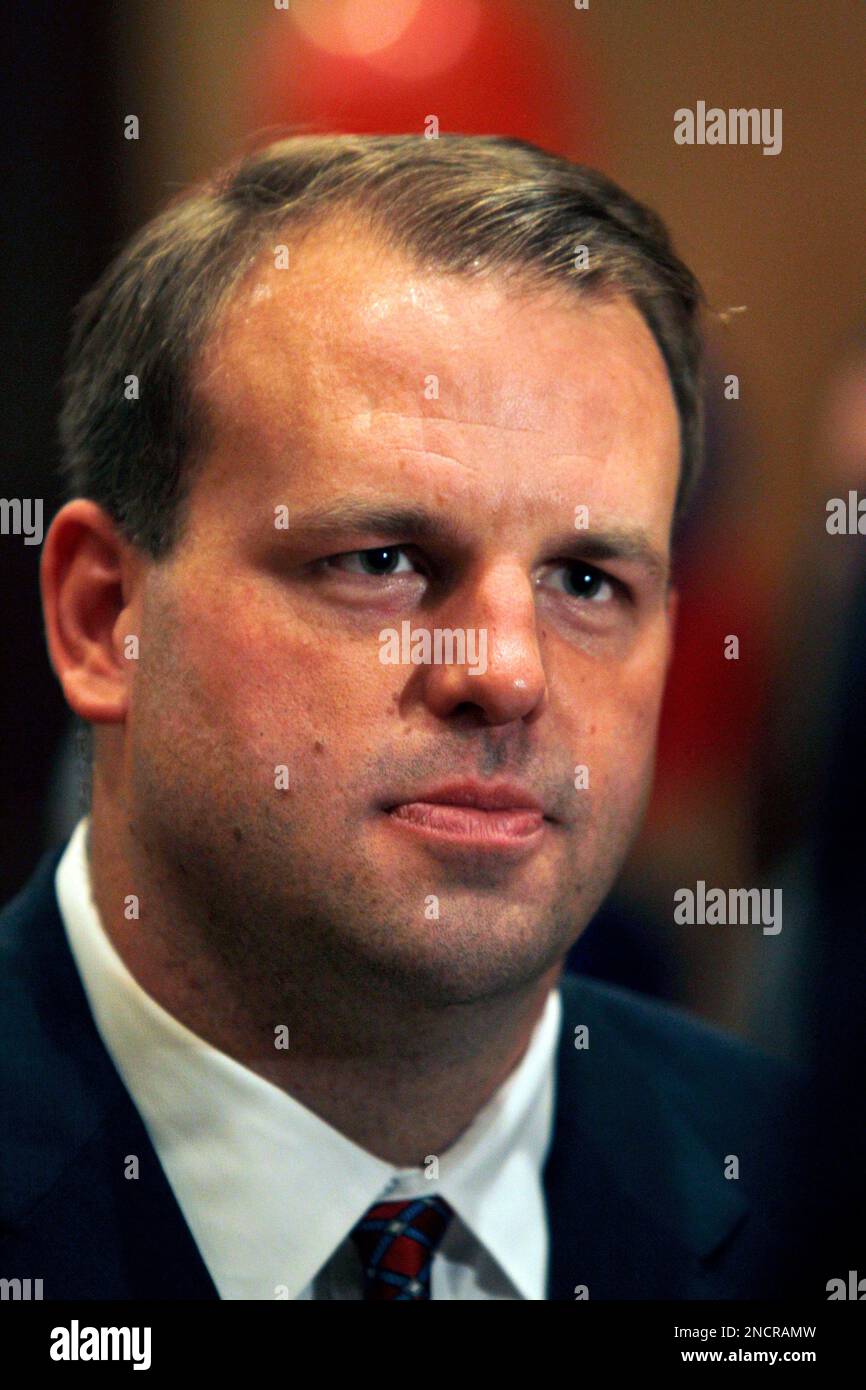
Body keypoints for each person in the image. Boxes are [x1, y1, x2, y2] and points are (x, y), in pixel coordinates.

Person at [0, 134, 825, 1300]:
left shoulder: (809, 1204)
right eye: (380, 558)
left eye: (586, 581)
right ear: (104, 617)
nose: (503, 669)